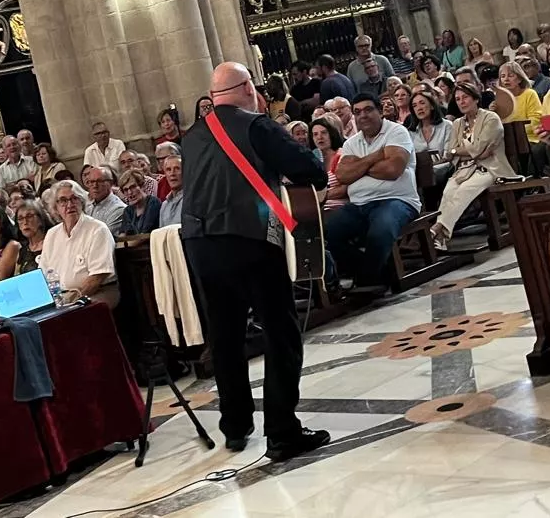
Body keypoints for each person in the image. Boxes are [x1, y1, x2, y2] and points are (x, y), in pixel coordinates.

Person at [180, 61, 329, 462]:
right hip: (247, 239)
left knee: (225, 336)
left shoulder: (191, 136)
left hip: (198, 244)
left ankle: (235, 426)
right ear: (247, 88)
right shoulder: (255, 125)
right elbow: (311, 169)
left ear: (214, 96)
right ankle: (282, 431)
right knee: (281, 331)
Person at [327, 93, 421, 290]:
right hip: (359, 205)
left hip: (396, 200)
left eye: (368, 110)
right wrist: (376, 156)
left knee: (380, 231)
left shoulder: (396, 132)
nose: (363, 116)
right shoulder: (352, 142)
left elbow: (393, 170)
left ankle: (367, 281)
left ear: (380, 111)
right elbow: (343, 175)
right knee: (327, 233)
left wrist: (358, 168)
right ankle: (376, 271)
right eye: (357, 112)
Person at [433, 83, 515, 247]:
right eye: (457, 99)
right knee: (449, 192)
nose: (461, 102)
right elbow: (452, 152)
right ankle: (441, 236)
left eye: (465, 97)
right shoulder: (457, 123)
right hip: (465, 169)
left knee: (464, 190)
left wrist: (463, 150)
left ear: (476, 98)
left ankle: (437, 228)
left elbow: (479, 149)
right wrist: (466, 152)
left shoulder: (490, 118)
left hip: (491, 168)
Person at [41, 179, 118, 305]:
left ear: (81, 202)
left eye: (74, 199)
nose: (70, 204)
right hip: (61, 298)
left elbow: (98, 277)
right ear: (56, 207)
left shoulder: (98, 229)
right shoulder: (52, 234)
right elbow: (43, 275)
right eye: (63, 201)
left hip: (96, 293)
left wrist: (73, 299)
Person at [499, 62, 544, 145]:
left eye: (510, 75)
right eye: (503, 76)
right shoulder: (500, 100)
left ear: (519, 79)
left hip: (530, 139)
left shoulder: (530, 94)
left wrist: (514, 133)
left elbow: (535, 121)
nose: (506, 79)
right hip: (508, 141)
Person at [118, 170, 162, 235]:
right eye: (126, 190)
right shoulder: (128, 210)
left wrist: (127, 243)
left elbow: (144, 235)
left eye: (133, 187)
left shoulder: (153, 202)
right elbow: (122, 235)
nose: (130, 192)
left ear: (142, 186)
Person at [14, 201, 49, 275]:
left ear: (40, 219)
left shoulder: (52, 242)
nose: (25, 222)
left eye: (29, 216)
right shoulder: (22, 250)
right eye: (20, 218)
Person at [157, 155, 185, 228]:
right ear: (165, 174)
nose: (172, 173)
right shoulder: (164, 205)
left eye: (177, 169)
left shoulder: (192, 200)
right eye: (168, 170)